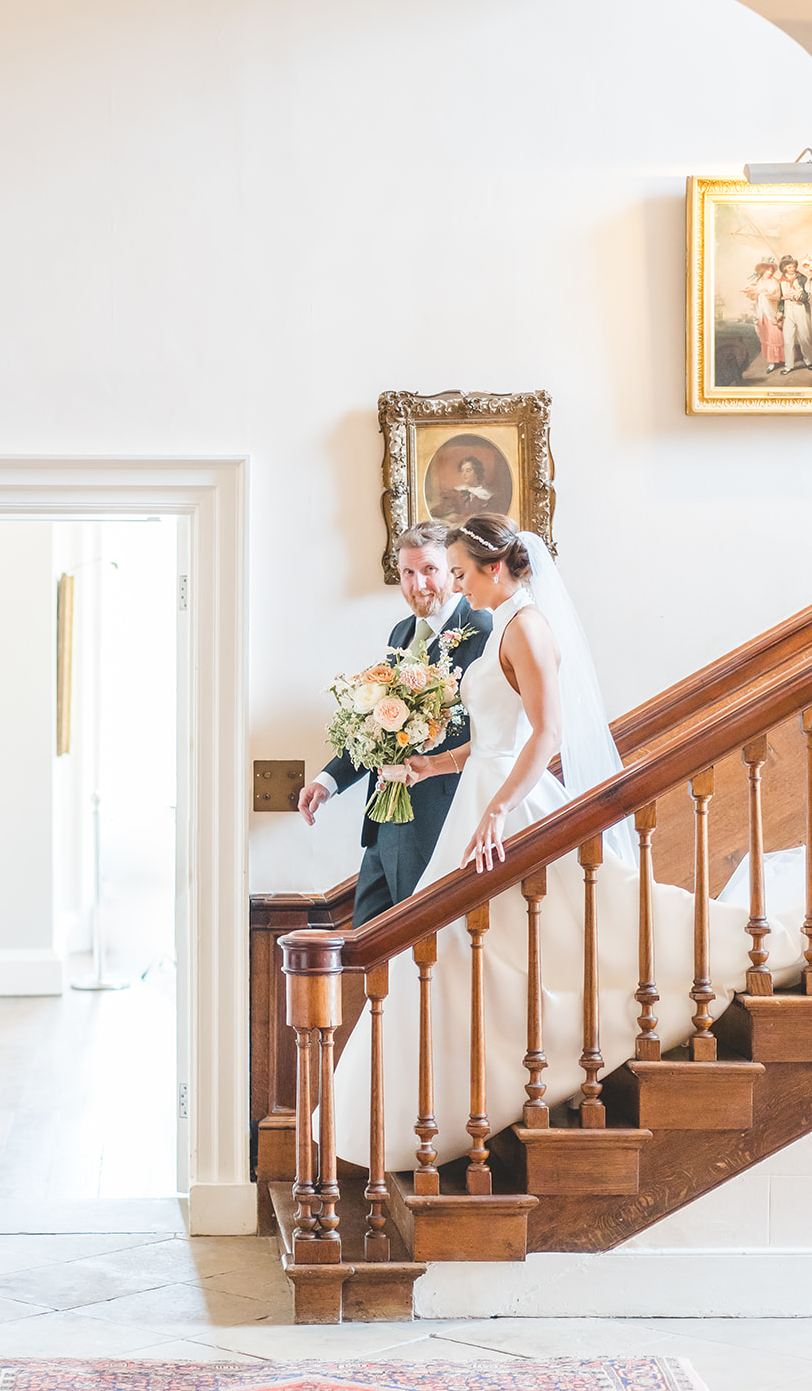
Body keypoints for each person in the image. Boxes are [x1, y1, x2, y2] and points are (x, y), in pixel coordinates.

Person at [332, 514, 807, 1170]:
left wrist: (498, 811)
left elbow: (545, 734)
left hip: (509, 803)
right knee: (480, 943)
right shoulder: (503, 623)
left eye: (464, 573)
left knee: (569, 924)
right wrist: (435, 765)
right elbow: (495, 734)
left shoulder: (526, 627)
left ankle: (755, 940)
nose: (459, 587)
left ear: (494, 568)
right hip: (484, 789)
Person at [297, 520, 491, 925]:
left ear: (452, 571)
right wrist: (327, 782)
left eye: (429, 570)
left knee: (421, 949)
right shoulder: (402, 632)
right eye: (407, 572)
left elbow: (494, 729)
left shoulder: (484, 631)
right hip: (384, 820)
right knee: (368, 943)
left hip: (442, 819)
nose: (418, 584)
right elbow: (380, 723)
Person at [741, 260, 784, 375]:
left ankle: (778, 360)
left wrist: (767, 295)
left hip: (772, 312)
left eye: (771, 270)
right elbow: (753, 297)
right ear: (762, 270)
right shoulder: (758, 281)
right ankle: (771, 362)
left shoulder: (775, 282)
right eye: (767, 269)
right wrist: (755, 293)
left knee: (775, 336)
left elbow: (779, 296)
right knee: (766, 336)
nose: (769, 272)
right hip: (762, 313)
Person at [776, 255, 812, 375]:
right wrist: (779, 312)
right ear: (784, 267)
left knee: (804, 337)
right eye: (789, 266)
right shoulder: (781, 281)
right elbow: (781, 299)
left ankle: (809, 361)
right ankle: (789, 365)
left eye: (794, 266)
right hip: (788, 311)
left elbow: (807, 296)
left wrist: (794, 296)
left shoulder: (802, 278)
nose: (793, 268)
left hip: (800, 309)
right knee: (788, 339)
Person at [433, 455, 494, 526]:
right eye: (462, 471)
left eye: (468, 471)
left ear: (477, 473)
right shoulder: (456, 491)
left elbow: (485, 518)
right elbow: (441, 510)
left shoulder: (486, 496)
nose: (464, 474)